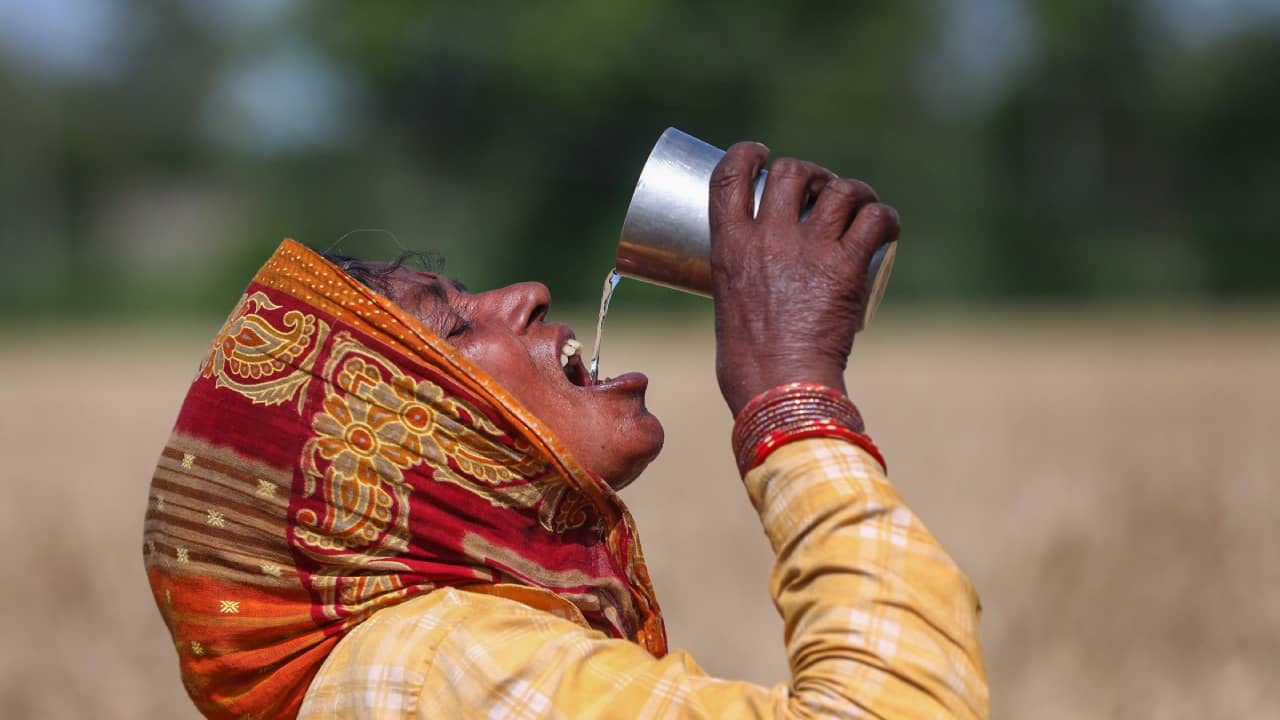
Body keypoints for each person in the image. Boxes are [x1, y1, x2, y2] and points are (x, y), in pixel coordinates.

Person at [143, 143, 989, 719]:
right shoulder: (441, 665)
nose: (531, 292)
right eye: (456, 328)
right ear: (402, 445)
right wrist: (792, 395)